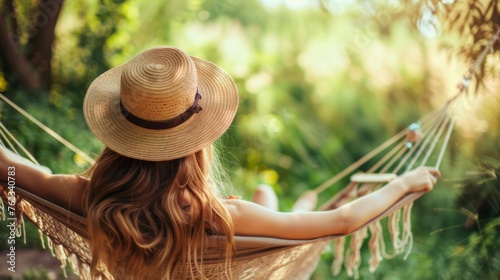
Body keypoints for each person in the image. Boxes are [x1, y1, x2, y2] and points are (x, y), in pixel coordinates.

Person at [0, 46, 440, 279]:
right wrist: (404, 183)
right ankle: (299, 206)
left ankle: (296, 206)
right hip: (243, 264)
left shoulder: (84, 196)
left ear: (119, 135)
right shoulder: (220, 217)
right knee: (272, 206)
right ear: (198, 144)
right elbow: (343, 221)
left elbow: (17, 171)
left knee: (269, 199)